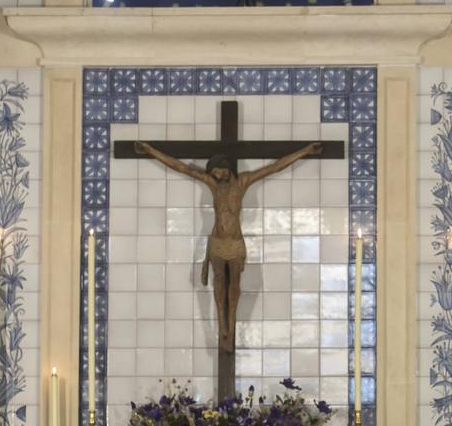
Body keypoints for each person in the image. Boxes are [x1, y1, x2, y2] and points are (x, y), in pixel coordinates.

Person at [133, 141, 321, 352]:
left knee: (235, 286)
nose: (217, 176)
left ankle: (230, 325)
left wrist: (305, 151)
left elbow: (275, 167)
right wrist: (150, 151)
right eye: (213, 174)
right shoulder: (213, 185)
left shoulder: (243, 182)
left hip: (235, 244)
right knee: (219, 282)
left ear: (226, 167)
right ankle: (222, 324)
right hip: (217, 243)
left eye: (218, 172)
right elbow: (180, 167)